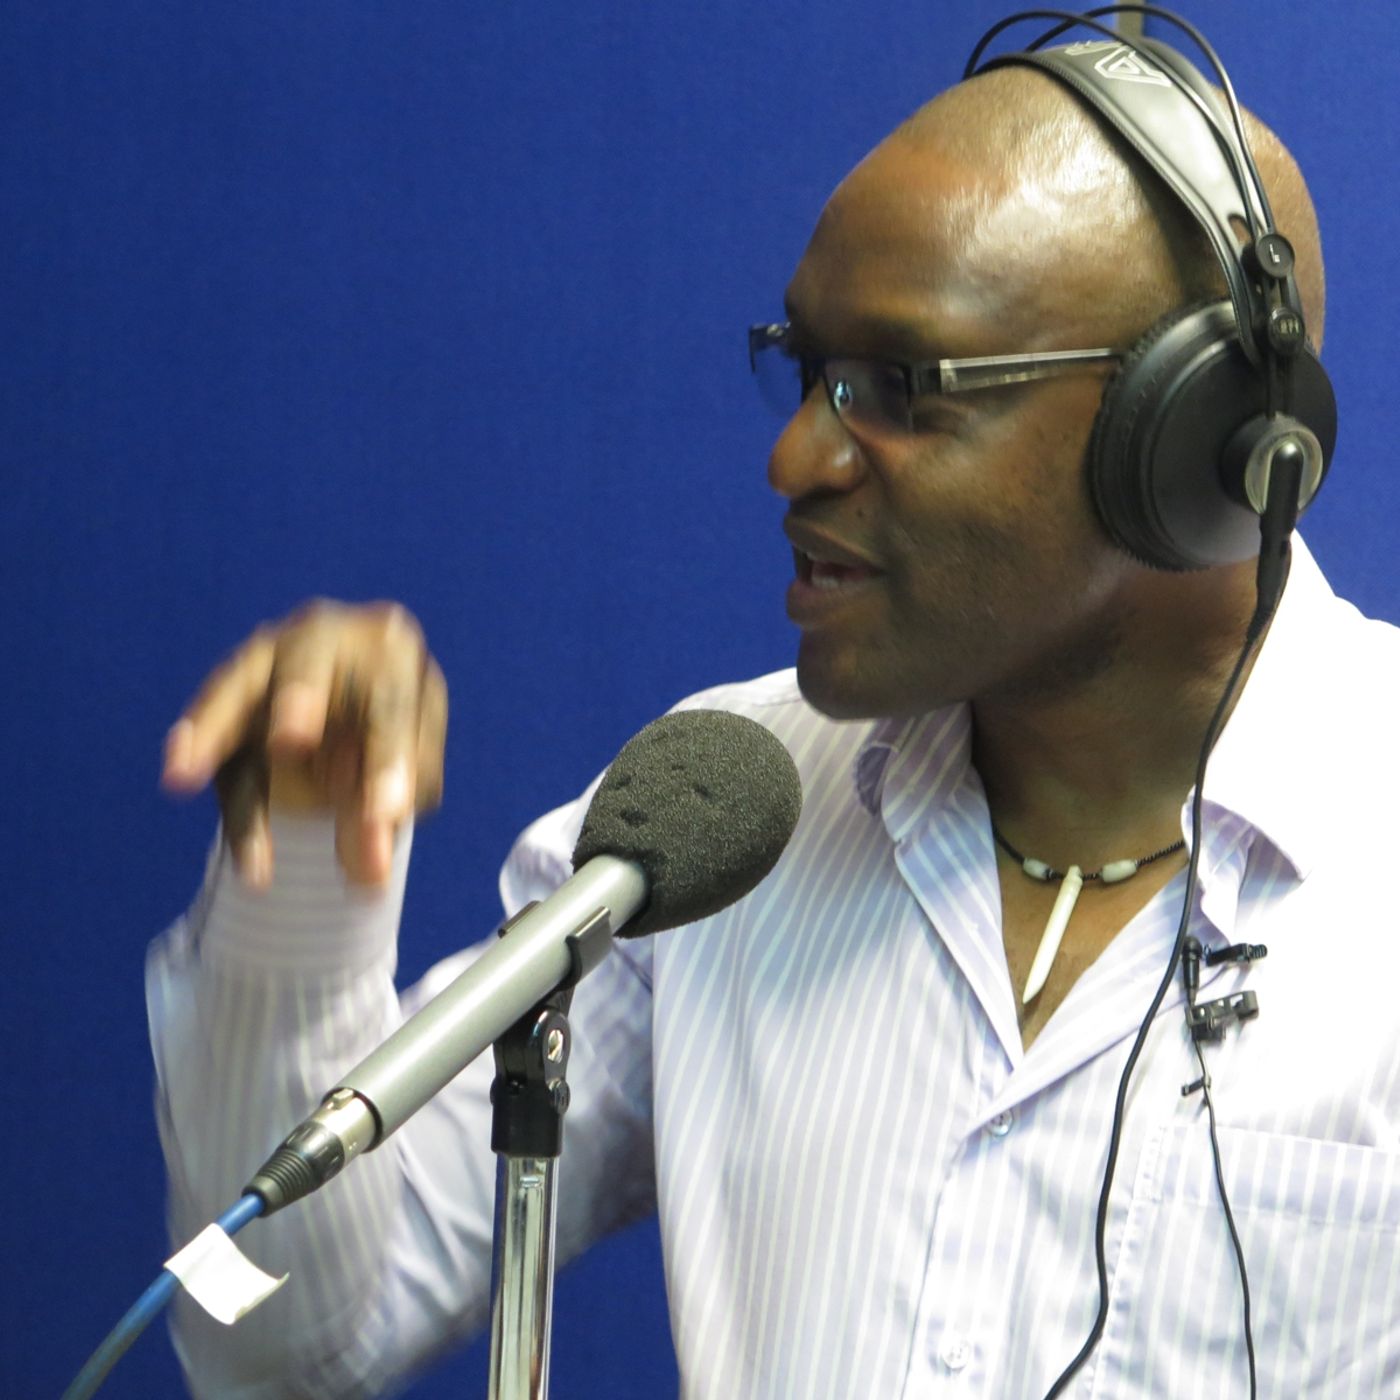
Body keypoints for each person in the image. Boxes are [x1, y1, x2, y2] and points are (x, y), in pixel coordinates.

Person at [149, 41, 1400, 1400]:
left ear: (1195, 438)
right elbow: (264, 1334)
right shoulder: (703, 831)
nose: (794, 459)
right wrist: (303, 880)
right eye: (804, 371)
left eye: (901, 388)